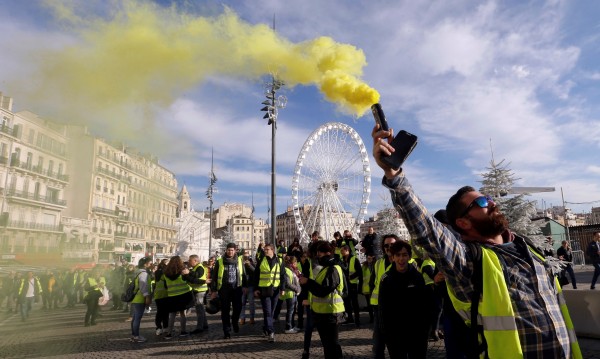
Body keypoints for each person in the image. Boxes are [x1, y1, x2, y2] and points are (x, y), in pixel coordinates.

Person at [372, 125, 582, 358]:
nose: (491, 203)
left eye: (489, 198)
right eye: (481, 203)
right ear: (463, 223)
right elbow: (428, 231)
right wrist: (394, 174)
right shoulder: (470, 262)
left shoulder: (528, 249)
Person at [379, 240, 432, 358]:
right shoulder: (386, 279)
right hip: (395, 334)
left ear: (409, 256)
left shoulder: (418, 277)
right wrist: (386, 334)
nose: (401, 259)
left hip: (417, 333)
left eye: (404, 255)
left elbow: (425, 305)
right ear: (392, 257)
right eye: (398, 255)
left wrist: (425, 331)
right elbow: (383, 309)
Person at [299, 241, 345, 359]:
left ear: (328, 253)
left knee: (332, 345)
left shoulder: (333, 268)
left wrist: (308, 282)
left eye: (320, 254)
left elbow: (323, 290)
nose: (318, 255)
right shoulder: (326, 268)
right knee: (328, 345)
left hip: (331, 312)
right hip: (322, 312)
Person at [370, 234, 398, 359]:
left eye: (392, 245)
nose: (389, 247)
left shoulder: (406, 262)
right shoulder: (378, 263)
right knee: (377, 346)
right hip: (379, 308)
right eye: (386, 245)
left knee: (397, 346)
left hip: (398, 309)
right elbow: (373, 283)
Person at [211, 242, 245, 339]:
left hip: (236, 288)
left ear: (235, 251)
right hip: (224, 289)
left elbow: (244, 274)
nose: (230, 252)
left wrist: (245, 286)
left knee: (237, 308)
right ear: (226, 250)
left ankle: (234, 322)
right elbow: (214, 276)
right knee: (225, 311)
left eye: (232, 250)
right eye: (228, 250)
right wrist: (213, 290)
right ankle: (227, 331)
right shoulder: (220, 261)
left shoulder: (239, 260)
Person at [253, 243, 285, 342]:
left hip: (275, 289)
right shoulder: (261, 260)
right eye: (264, 249)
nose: (265, 251)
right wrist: (256, 289)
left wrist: (282, 289)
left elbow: (283, 276)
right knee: (267, 311)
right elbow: (256, 275)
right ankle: (271, 332)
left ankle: (266, 328)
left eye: (267, 249)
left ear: (272, 250)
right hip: (264, 289)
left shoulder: (280, 261)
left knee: (271, 311)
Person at [163, 255, 194, 339]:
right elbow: (188, 279)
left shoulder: (166, 272)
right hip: (183, 295)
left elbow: (165, 285)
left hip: (172, 295)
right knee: (182, 314)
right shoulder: (182, 271)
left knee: (172, 315)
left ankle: (169, 333)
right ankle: (183, 331)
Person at [274, 255, 301, 333]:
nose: (296, 264)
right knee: (290, 311)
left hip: (293, 293)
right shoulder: (286, 270)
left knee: (292, 311)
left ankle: (292, 325)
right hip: (290, 293)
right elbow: (287, 284)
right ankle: (288, 327)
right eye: (294, 262)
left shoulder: (291, 270)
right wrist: (297, 289)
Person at [129, 257, 153, 343]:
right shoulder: (143, 274)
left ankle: (133, 335)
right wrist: (147, 297)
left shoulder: (138, 272)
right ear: (145, 264)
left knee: (135, 318)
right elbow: (143, 286)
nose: (151, 265)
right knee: (137, 318)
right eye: (150, 263)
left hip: (136, 298)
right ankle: (136, 336)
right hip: (140, 298)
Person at [339, 245, 362, 327]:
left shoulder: (354, 259)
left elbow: (359, 271)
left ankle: (357, 319)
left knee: (355, 302)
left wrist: (351, 277)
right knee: (347, 302)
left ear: (347, 250)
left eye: (342, 250)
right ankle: (350, 318)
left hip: (352, 284)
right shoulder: (341, 260)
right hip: (345, 284)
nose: (341, 252)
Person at [188, 254, 210, 334]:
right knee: (201, 309)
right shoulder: (196, 267)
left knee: (199, 310)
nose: (189, 262)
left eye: (190, 260)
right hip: (198, 290)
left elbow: (196, 278)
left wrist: (188, 274)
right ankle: (205, 325)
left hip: (200, 291)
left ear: (195, 260)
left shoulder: (199, 267)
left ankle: (199, 327)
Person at [153, 259, 169, 336]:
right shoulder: (165, 275)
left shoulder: (156, 273)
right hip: (165, 295)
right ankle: (165, 327)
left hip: (157, 295)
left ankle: (158, 328)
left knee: (159, 312)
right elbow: (167, 286)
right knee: (165, 312)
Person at [240, 250, 256, 325]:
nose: (246, 256)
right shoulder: (240, 263)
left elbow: (255, 272)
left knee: (251, 303)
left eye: (247, 254)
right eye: (245, 254)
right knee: (242, 303)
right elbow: (241, 275)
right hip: (242, 286)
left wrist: (250, 265)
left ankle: (252, 318)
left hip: (250, 286)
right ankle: (242, 318)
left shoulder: (252, 263)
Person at [361, 254, 375, 324]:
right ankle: (371, 318)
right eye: (367, 258)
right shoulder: (364, 266)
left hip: (374, 288)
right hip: (367, 289)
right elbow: (362, 276)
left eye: (370, 258)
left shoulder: (376, 265)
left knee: (375, 305)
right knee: (369, 305)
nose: (368, 259)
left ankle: (375, 317)